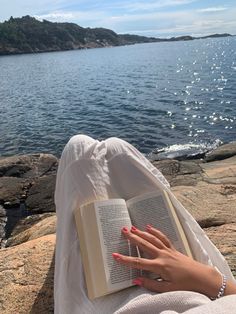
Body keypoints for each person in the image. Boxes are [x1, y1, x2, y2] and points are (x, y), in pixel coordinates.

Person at [54, 135, 236, 314]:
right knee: (117, 150)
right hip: (201, 287)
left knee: (80, 149)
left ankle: (68, 232)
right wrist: (211, 280)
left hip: (108, 304)